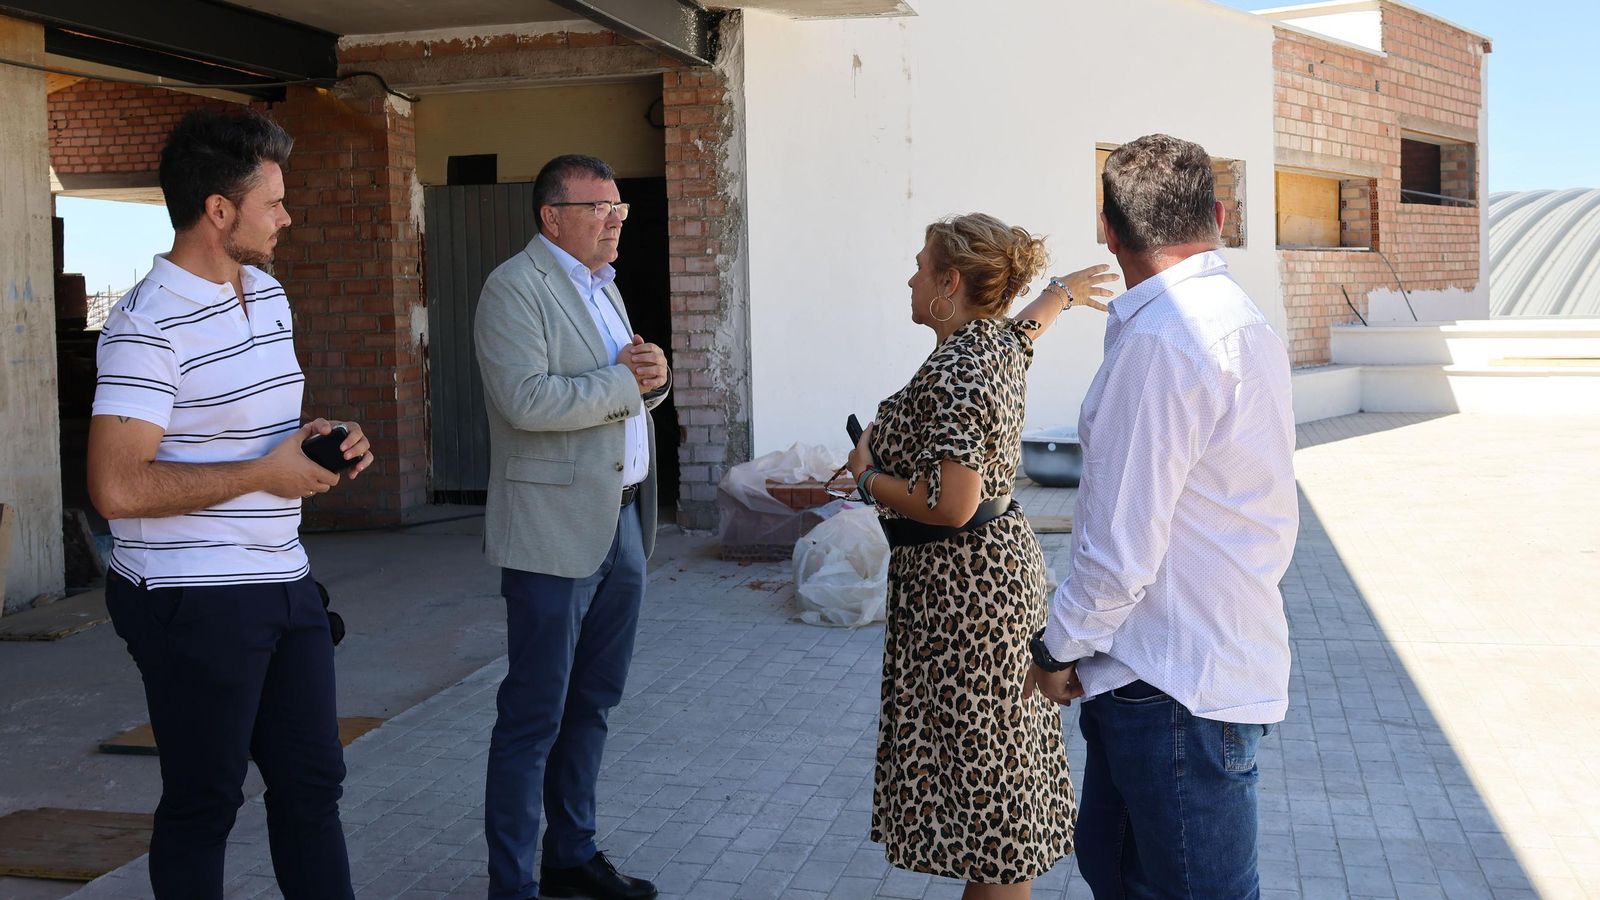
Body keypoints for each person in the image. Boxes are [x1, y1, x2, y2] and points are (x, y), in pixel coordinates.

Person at [86, 107, 373, 899]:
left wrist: (322, 438)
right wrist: (261, 476)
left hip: (284, 579)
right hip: (192, 596)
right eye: (273, 202)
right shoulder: (146, 327)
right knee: (205, 803)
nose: (287, 216)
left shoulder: (268, 294)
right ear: (219, 210)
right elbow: (115, 487)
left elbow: (260, 432)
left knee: (314, 790)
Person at [1024, 133, 1298, 899]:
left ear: (1107, 231)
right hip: (1196, 668)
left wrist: (1056, 651)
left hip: (1171, 686)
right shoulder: (1234, 317)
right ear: (1216, 214)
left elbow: (1118, 552)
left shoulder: (1164, 339)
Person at [846, 213, 1117, 899]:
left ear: (949, 282)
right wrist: (1061, 293)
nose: (909, 276)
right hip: (985, 586)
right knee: (995, 795)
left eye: (919, 264)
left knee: (991, 811)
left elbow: (953, 503)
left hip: (964, 602)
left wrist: (865, 476)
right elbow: (1027, 331)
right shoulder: (990, 344)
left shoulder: (963, 366)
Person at [474, 154, 670, 900]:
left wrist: (652, 376)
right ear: (552, 216)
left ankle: (571, 855)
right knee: (533, 717)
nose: (616, 218)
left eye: (619, 205)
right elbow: (527, 401)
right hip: (552, 532)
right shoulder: (514, 288)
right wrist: (628, 380)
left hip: (620, 525)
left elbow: (621, 388)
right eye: (599, 207)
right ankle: (512, 883)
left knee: (594, 703)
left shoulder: (604, 287)